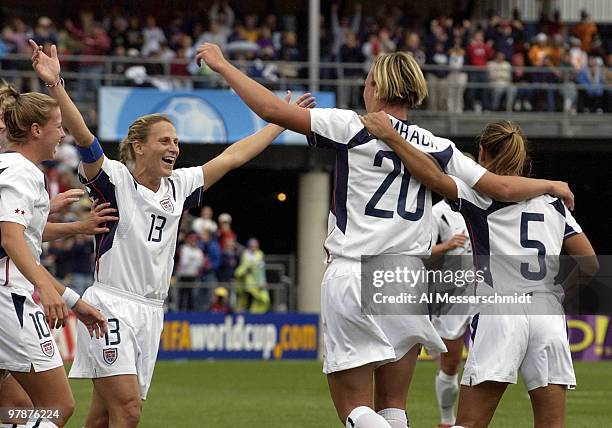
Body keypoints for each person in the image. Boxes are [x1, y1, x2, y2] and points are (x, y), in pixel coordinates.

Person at [195, 43, 574, 428]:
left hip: (355, 270)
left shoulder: (353, 126)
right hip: (406, 277)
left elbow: (271, 109)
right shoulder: (439, 147)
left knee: (354, 409)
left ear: (376, 86)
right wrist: (552, 183)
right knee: (393, 406)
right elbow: (501, 188)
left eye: (367, 81)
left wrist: (223, 65)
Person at [30, 39, 315, 428]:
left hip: (151, 311)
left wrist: (279, 122)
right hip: (112, 306)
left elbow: (233, 157)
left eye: (177, 142)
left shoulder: (179, 186)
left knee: (102, 417)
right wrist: (55, 83)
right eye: (165, 141)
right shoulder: (114, 180)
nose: (174, 148)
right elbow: (82, 135)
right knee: (128, 410)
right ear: (138, 148)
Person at [358, 115, 596, 428]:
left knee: (469, 423)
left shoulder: (478, 195)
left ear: (482, 152)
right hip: (546, 311)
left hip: (500, 309)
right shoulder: (555, 202)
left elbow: (431, 176)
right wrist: (560, 291)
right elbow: (589, 263)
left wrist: (393, 139)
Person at [0, 84, 108, 428]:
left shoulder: (6, 166)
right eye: (58, 125)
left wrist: (67, 223)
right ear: (35, 130)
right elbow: (11, 236)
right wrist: (45, 288)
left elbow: (23, 232)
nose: (62, 133)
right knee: (57, 406)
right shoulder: (23, 172)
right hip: (10, 299)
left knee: (14, 407)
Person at [429, 195, 472, 428]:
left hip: (488, 287)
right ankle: (447, 420)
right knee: (451, 360)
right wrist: (447, 245)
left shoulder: (483, 202)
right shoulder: (437, 212)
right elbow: (421, 249)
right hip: (454, 290)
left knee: (485, 359)